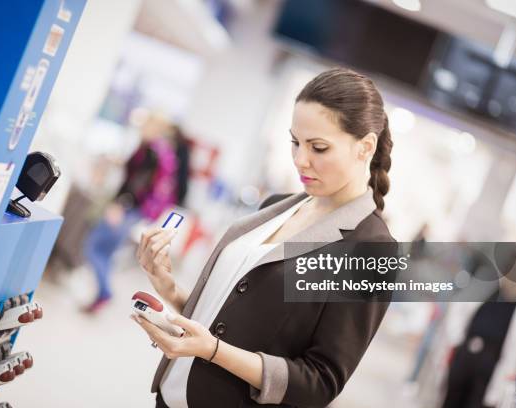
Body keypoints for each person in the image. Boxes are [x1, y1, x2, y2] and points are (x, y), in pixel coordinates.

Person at [131, 67, 395, 407]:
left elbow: (320, 383)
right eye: (295, 142)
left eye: (318, 147)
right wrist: (167, 286)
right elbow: (226, 318)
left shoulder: (371, 249)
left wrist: (213, 351)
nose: (301, 160)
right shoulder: (275, 208)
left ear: (365, 147)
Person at [83, 113, 179, 313]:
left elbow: (138, 182)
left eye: (145, 124)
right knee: (106, 252)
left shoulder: (150, 151)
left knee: (93, 247)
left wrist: (120, 204)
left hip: (127, 208)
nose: (141, 127)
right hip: (137, 210)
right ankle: (101, 295)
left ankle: (104, 292)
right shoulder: (161, 151)